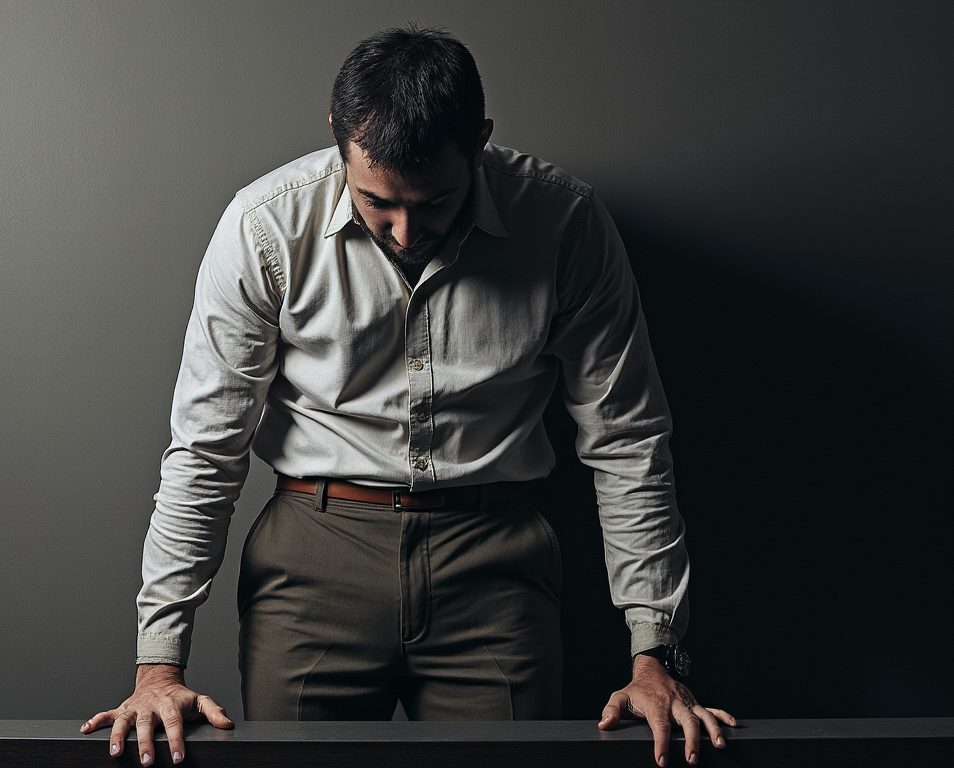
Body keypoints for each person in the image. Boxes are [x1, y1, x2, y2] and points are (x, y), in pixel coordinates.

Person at [82, 25, 734, 767]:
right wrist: (158, 666)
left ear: (480, 142)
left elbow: (628, 441)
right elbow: (206, 449)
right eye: (375, 202)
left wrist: (657, 656)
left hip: (495, 565)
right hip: (312, 558)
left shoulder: (565, 224)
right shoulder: (264, 228)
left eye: (432, 204)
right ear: (338, 136)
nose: (402, 230)